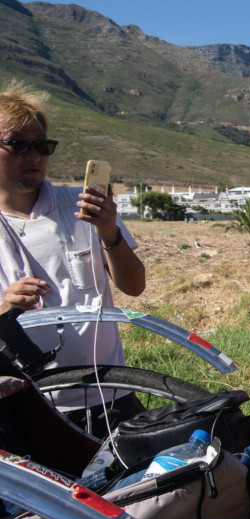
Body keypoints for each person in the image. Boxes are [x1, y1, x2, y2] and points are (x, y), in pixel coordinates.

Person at [0, 80, 146, 432]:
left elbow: (134, 286)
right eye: (19, 145)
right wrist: (5, 307)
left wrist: (109, 232)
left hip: (110, 392)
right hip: (27, 404)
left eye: (43, 146)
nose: (34, 156)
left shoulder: (80, 207)